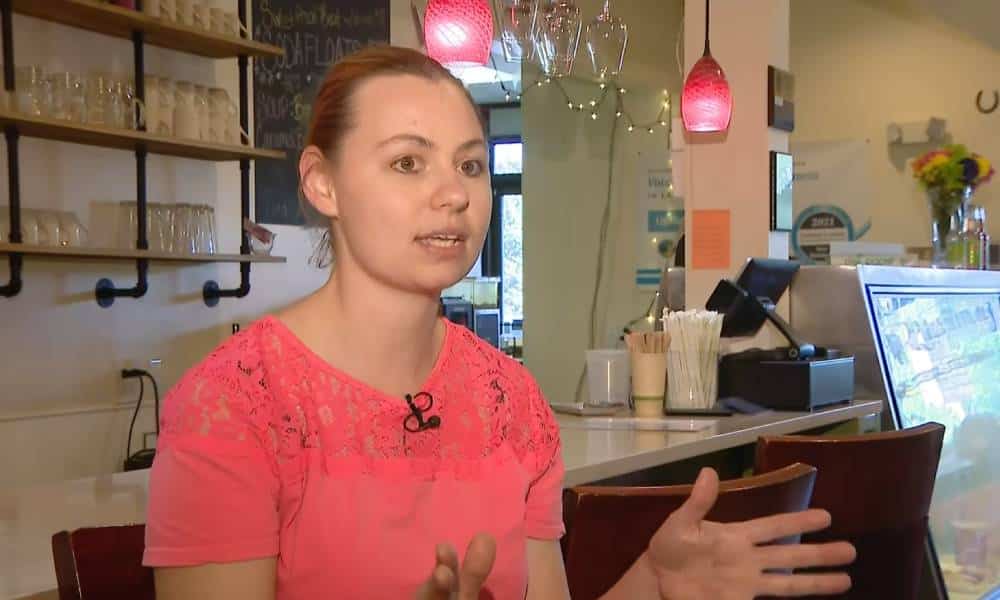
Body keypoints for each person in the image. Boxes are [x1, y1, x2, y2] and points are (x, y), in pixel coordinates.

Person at [142, 46, 855, 600]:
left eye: (471, 166)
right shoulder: (233, 407)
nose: (453, 194)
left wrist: (650, 583)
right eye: (407, 163)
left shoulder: (510, 400)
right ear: (321, 183)